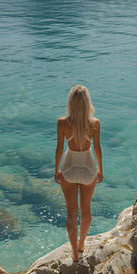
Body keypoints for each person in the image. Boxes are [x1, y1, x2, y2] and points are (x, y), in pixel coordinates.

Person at [55, 84, 103, 262]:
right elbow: (97, 149)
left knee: (71, 212)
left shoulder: (62, 123)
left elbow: (59, 149)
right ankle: (82, 244)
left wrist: (57, 170)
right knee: (86, 209)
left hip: (68, 168)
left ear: (71, 103)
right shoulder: (94, 123)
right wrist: (100, 170)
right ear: (87, 103)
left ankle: (75, 254)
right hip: (89, 169)